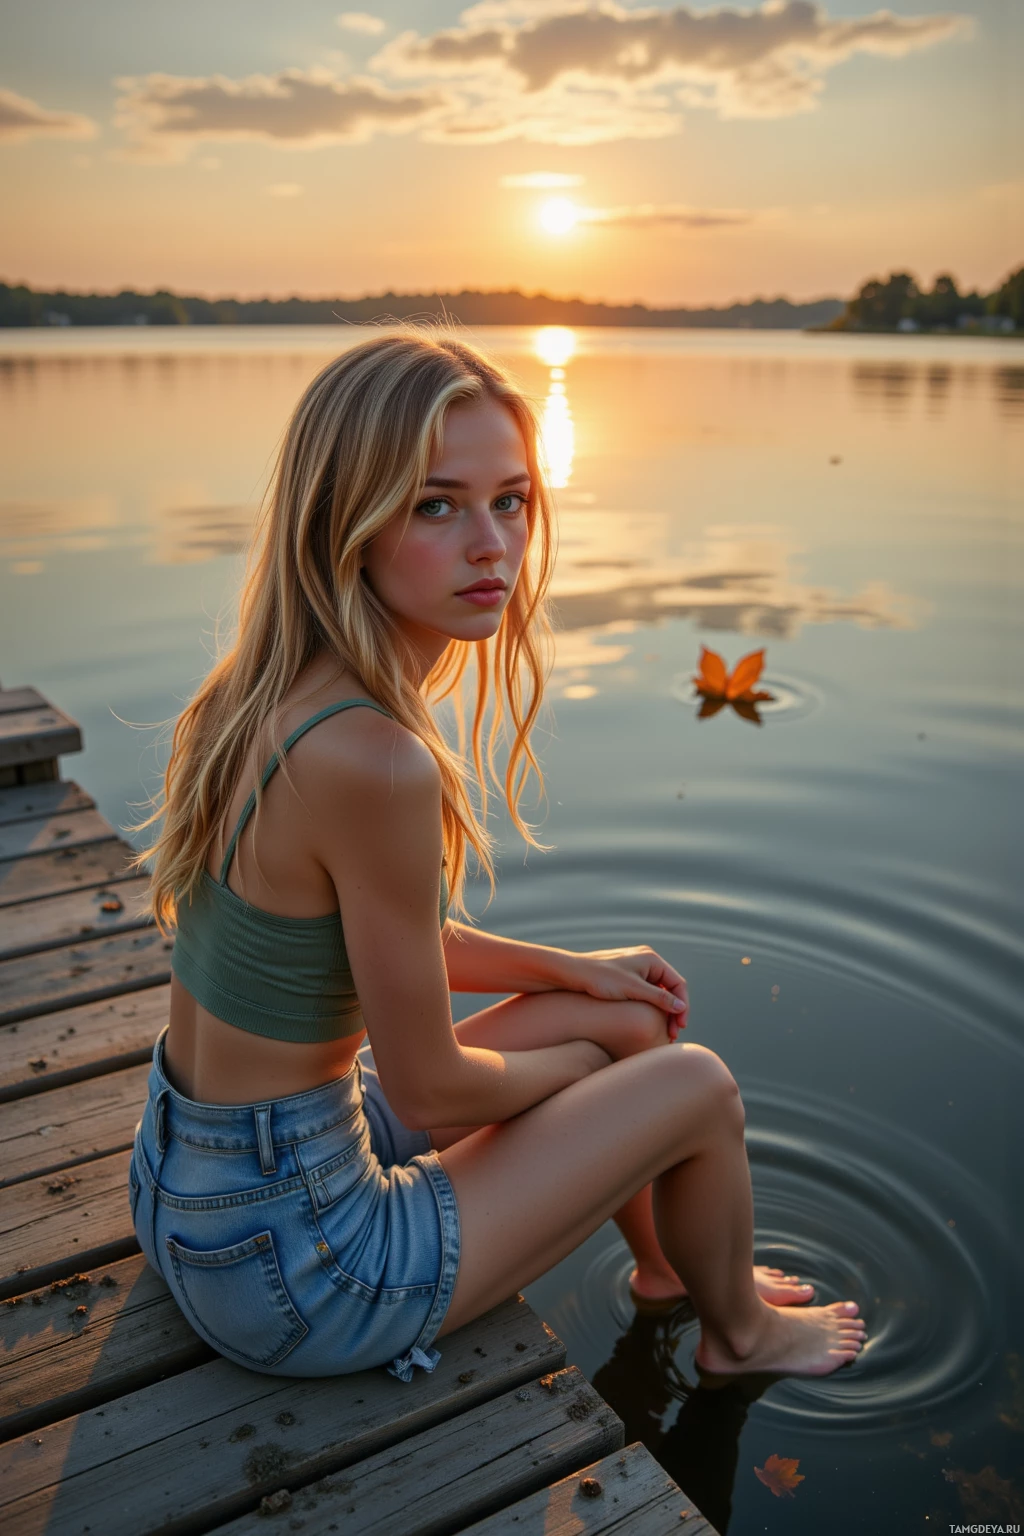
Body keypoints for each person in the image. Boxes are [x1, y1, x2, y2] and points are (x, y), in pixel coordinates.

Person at [129, 330, 867, 1385]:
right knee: (693, 1083)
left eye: (511, 500)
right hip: (298, 1274)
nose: (492, 546)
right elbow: (430, 1092)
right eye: (437, 504)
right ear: (348, 520)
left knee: (624, 1017)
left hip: (184, 1183)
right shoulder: (375, 759)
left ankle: (673, 1274)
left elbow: (379, 936)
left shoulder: (267, 697)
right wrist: (586, 1081)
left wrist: (577, 976)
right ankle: (738, 1337)